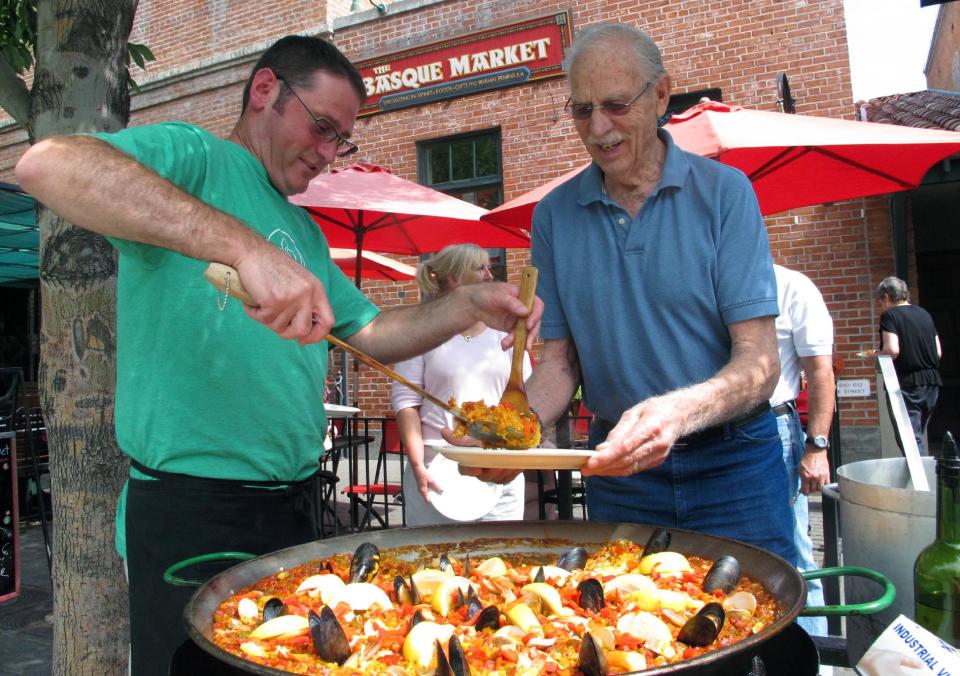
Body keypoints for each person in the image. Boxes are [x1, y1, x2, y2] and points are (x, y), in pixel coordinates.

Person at [15, 36, 541, 674]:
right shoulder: (194, 156)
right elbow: (47, 166)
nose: (327, 154)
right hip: (193, 510)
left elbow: (369, 332)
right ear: (265, 90)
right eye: (321, 127)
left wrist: (466, 307)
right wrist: (244, 249)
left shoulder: (306, 232)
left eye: (340, 140)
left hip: (293, 505)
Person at [471, 22, 796, 563]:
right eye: (582, 110)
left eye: (617, 105)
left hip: (733, 465)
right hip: (620, 473)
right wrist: (514, 434)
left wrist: (674, 415)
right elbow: (560, 366)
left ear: (662, 96)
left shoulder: (725, 195)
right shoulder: (554, 215)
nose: (598, 128)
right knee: (626, 630)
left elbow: (761, 365)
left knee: (753, 627)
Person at [391, 244, 532, 526]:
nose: (490, 276)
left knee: (500, 563)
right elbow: (406, 402)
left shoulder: (506, 335)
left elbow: (528, 398)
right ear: (455, 278)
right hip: (436, 470)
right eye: (480, 268)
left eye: (490, 267)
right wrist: (418, 465)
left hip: (498, 468)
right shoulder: (422, 333)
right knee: (430, 564)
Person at [771, 264, 835, 636]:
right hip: (716, 436)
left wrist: (817, 447)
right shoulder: (709, 282)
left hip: (775, 426)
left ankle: (815, 652)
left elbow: (821, 372)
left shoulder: (792, 286)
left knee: (793, 549)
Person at [876, 276, 942, 455]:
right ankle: (922, 477)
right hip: (931, 383)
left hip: (906, 384)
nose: (881, 305)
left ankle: (921, 481)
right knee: (916, 434)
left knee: (910, 439)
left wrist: (877, 354)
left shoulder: (889, 316)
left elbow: (892, 350)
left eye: (881, 300)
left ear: (887, 297)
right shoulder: (924, 314)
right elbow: (938, 352)